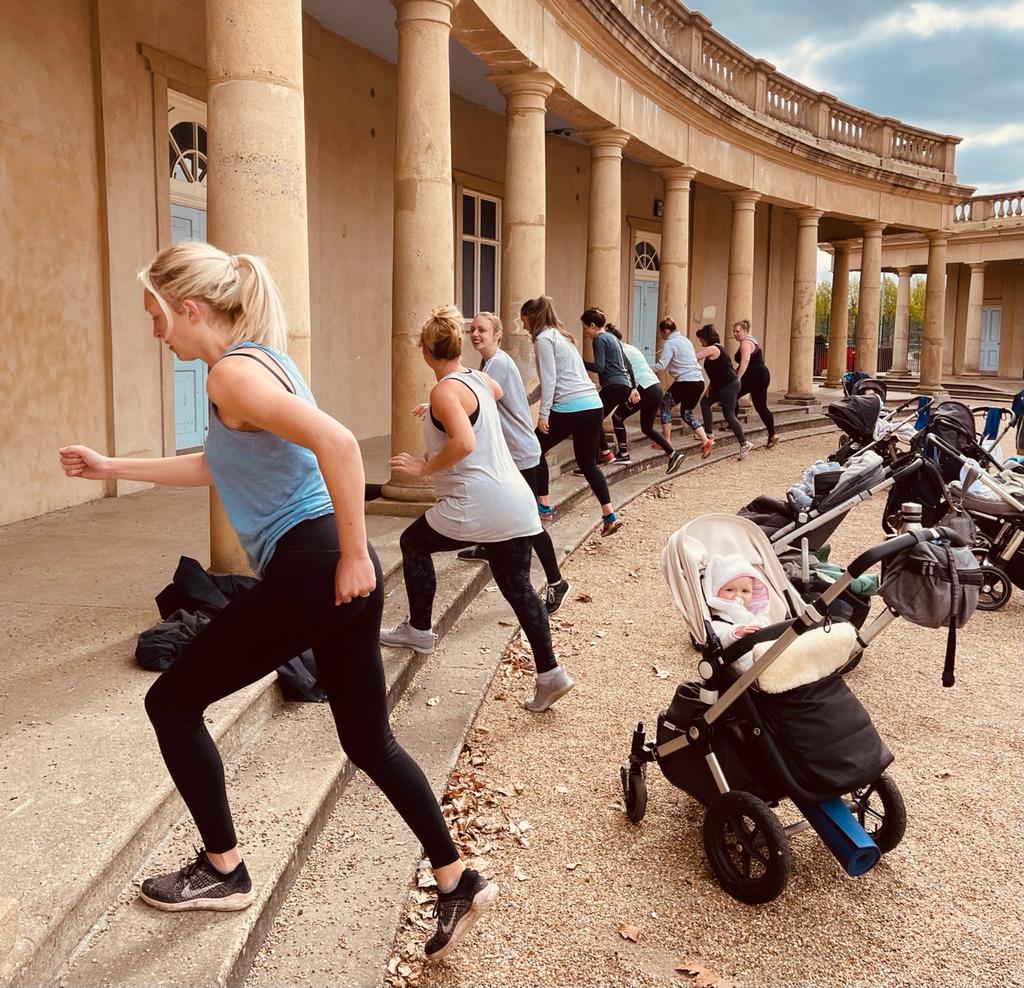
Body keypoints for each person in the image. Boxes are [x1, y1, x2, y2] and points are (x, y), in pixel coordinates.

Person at [58, 242, 494, 961]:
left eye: (157, 317)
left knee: (170, 702)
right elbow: (214, 465)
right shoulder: (258, 364)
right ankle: (457, 877)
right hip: (325, 563)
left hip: (314, 563)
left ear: (188, 307)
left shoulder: (231, 373)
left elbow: (339, 447)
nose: (156, 331)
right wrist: (111, 466)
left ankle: (224, 869)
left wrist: (357, 553)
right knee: (367, 739)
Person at [382, 304, 575, 715]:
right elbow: (498, 395)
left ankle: (419, 630)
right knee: (518, 587)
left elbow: (465, 443)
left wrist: (422, 468)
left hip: (478, 502)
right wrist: (436, 412)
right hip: (514, 501)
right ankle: (550, 674)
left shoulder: (445, 390)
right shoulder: (477, 378)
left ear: (424, 351)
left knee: (412, 543)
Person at [449, 311, 571, 614]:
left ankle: (556, 582)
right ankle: (486, 545)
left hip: (521, 453)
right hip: (509, 453)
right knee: (487, 495)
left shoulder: (499, 364)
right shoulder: (489, 363)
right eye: (472, 329)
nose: (475, 334)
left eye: (483, 330)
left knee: (529, 523)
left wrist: (445, 401)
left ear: (498, 334)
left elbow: (478, 398)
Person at [525, 295, 623, 537]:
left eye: (524, 321)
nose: (523, 326)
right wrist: (524, 401)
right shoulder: (563, 337)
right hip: (592, 405)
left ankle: (544, 507)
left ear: (531, 318)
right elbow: (551, 380)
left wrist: (543, 414)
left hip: (571, 406)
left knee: (533, 448)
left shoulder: (543, 339)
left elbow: (550, 381)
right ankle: (610, 514)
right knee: (587, 463)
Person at [604, 325, 684, 475]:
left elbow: (624, 376)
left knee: (617, 417)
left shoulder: (619, 353)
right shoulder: (630, 348)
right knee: (647, 428)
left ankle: (623, 454)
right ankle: (673, 454)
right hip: (655, 387)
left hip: (644, 389)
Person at [580, 307, 638, 464]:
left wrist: (579, 363)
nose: (585, 332)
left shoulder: (599, 339)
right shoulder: (612, 338)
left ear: (592, 325)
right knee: (595, 418)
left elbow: (599, 367)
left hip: (614, 386)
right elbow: (629, 365)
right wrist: (633, 387)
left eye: (585, 328)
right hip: (623, 386)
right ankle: (604, 452)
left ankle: (599, 455)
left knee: (591, 418)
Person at [652, 317, 713, 457]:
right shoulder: (686, 340)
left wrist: (645, 368)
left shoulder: (670, 343)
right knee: (687, 413)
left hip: (685, 381)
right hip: (698, 381)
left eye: (661, 332)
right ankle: (705, 441)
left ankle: (666, 441)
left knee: (665, 405)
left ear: (665, 330)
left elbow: (662, 365)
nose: (660, 335)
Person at [695, 323, 752, 459]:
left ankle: (744, 444)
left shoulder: (713, 349)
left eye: (701, 339)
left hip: (729, 385)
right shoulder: (716, 349)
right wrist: (709, 388)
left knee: (729, 415)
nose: (700, 342)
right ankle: (709, 435)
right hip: (721, 385)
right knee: (705, 402)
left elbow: (694, 357)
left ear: (706, 338)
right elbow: (716, 373)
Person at [702, 553, 771, 662]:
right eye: (730, 590)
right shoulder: (719, 616)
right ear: (716, 591)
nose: (738, 595)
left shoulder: (757, 614)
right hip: (745, 659)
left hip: (769, 652)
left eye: (745, 591)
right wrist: (737, 632)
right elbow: (719, 633)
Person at [733, 319, 778, 449]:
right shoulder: (752, 340)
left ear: (745, 331)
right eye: (734, 331)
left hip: (754, 377)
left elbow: (745, 360)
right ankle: (772, 434)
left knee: (731, 395)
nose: (735, 334)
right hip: (761, 375)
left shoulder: (745, 343)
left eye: (738, 331)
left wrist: (738, 378)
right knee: (761, 407)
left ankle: (732, 423)